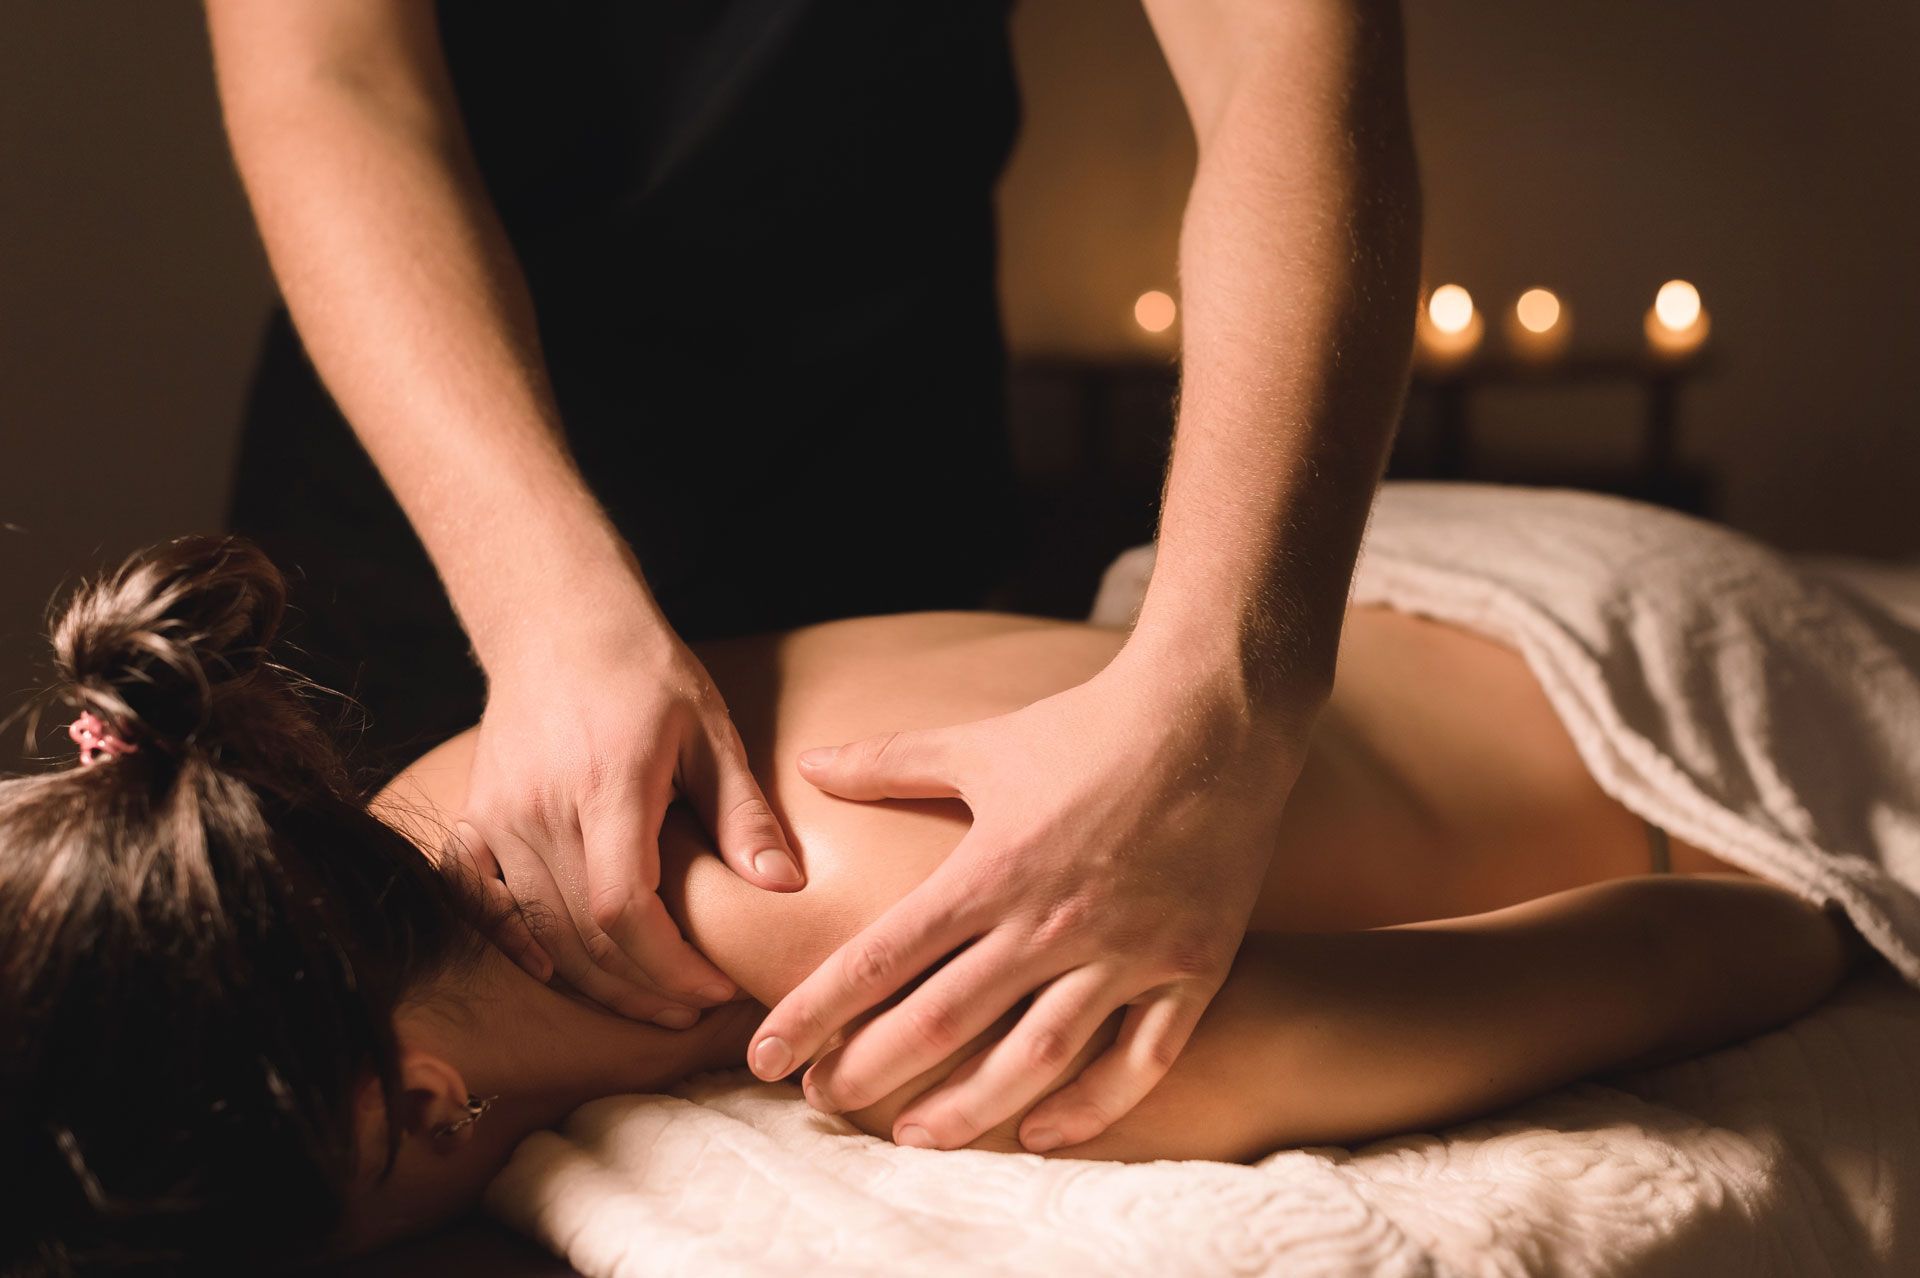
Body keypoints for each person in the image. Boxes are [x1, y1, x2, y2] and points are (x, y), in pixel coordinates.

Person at [203, 0, 1422, 1151]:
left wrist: (1223, 697)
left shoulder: (809, 879)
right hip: (435, 496)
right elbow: (331, 77)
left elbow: (1281, 55)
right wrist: (542, 606)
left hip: (869, 442)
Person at [3, 529, 1869, 1271]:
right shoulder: (456, 785)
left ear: (416, 1110)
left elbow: (1669, 941)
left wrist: (1830, 921)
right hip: (1410, 562)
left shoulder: (943, 992)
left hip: (1634, 682)